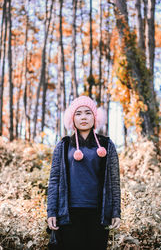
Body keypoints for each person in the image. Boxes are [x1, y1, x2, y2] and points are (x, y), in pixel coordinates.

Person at [47, 96, 121, 250]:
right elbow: (54, 180)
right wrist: (51, 212)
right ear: (72, 118)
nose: (83, 117)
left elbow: (114, 181)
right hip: (69, 212)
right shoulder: (64, 145)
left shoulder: (106, 144)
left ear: (95, 117)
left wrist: (115, 212)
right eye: (78, 113)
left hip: (98, 213)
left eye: (88, 113)